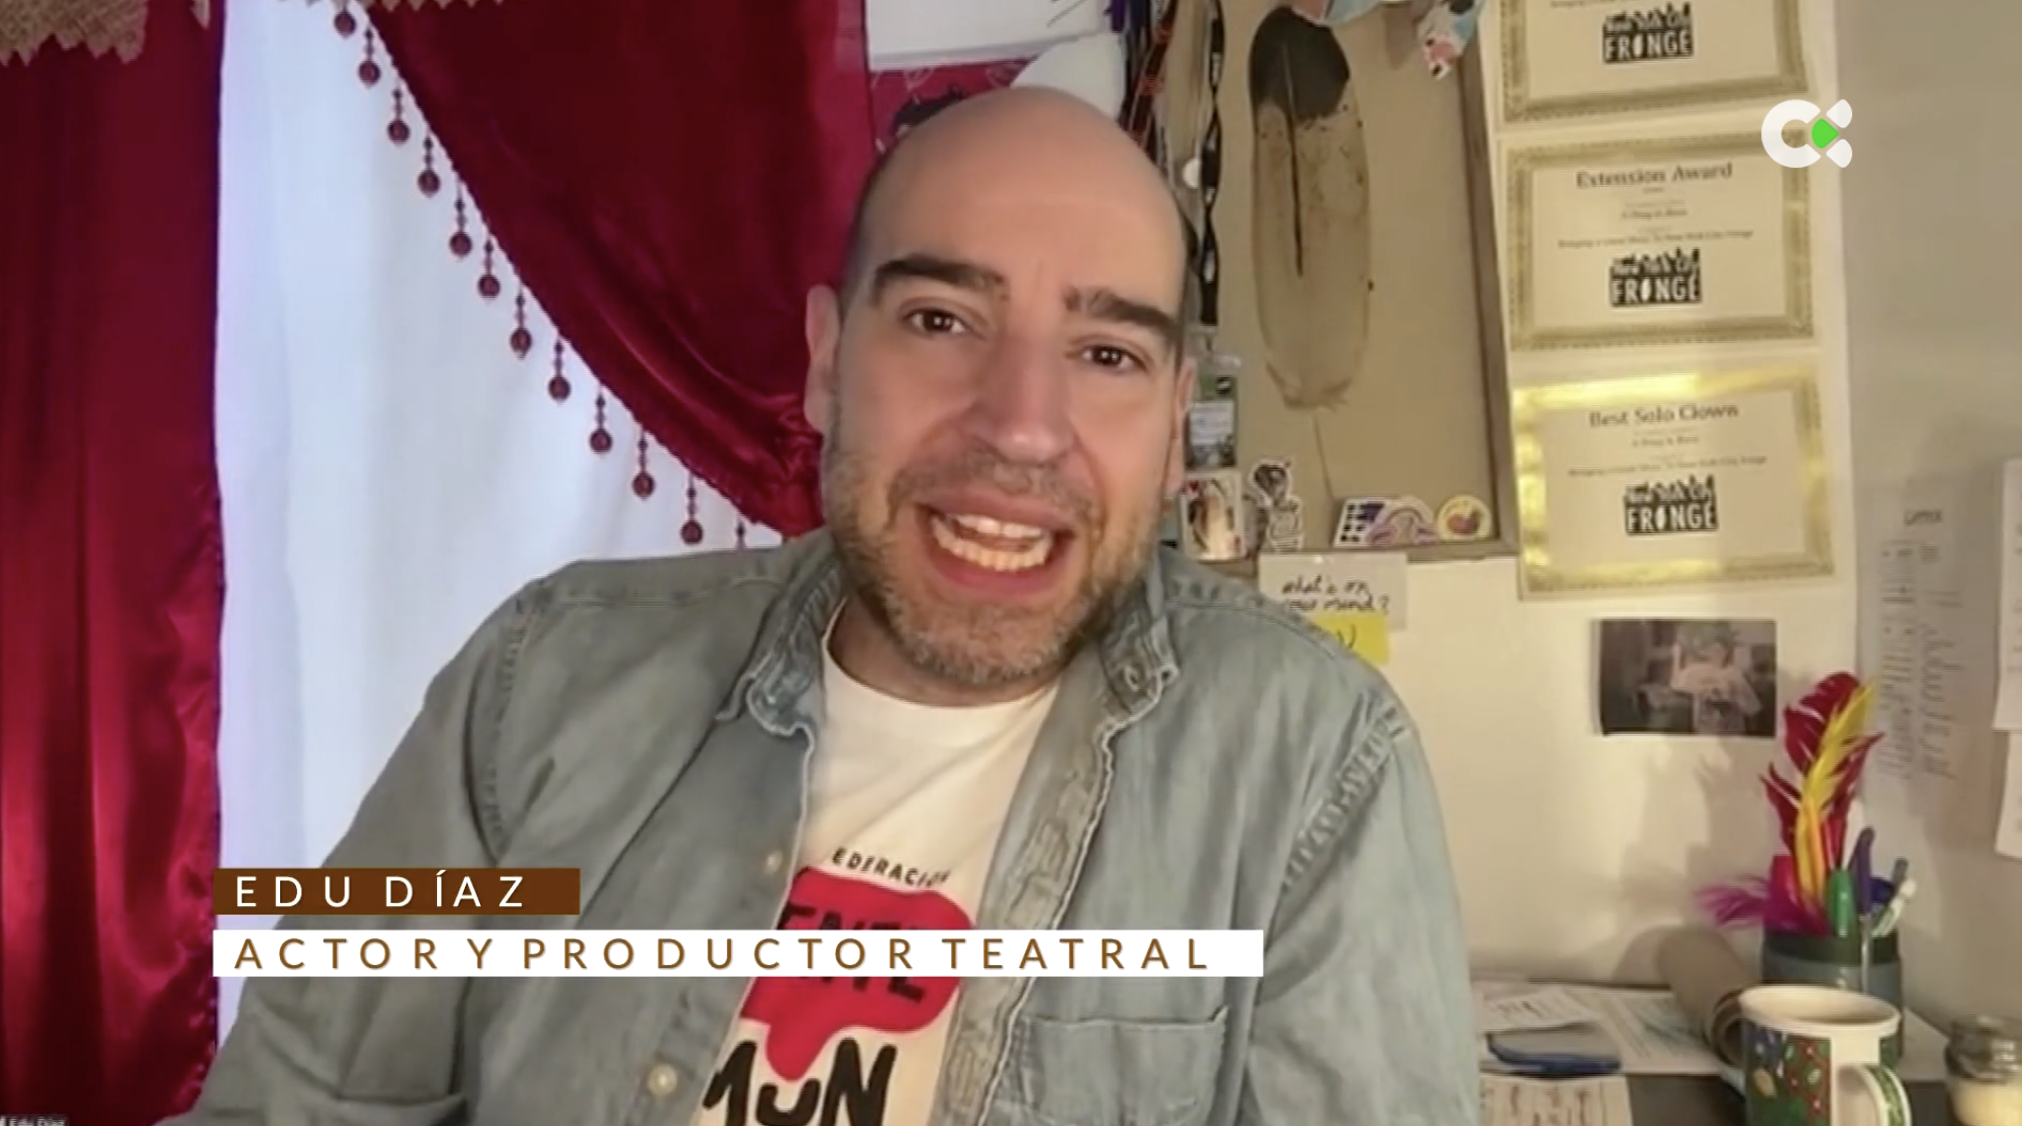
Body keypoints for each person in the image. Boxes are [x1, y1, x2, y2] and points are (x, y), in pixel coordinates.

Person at [173, 88, 1478, 1126]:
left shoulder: (1313, 763)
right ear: (822, 359)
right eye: (939, 317)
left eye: (1105, 354)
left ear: (1173, 410)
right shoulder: (536, 681)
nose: (1022, 425)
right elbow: (304, 1094)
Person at [1669, 626, 1763, 736]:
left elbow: (1753, 708)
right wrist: (1676, 657)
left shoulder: (1734, 674)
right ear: (1702, 651)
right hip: (1704, 733)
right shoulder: (1694, 672)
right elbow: (1676, 685)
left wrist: (1736, 696)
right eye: (1710, 648)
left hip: (1731, 734)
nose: (1716, 652)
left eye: (1721, 648)